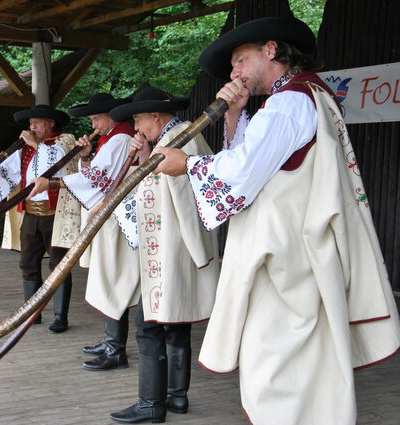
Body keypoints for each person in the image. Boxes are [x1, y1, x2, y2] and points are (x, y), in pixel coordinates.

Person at [153, 16, 400, 425]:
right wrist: (234, 115)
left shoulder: (289, 102)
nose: (234, 73)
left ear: (271, 50)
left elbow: (243, 175)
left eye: (239, 60)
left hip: (286, 260)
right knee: (304, 363)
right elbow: (260, 162)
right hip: (302, 253)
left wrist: (188, 165)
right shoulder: (306, 96)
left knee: (275, 366)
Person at [106, 87, 220, 423]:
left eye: (139, 119)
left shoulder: (179, 141)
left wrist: (197, 251)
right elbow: (157, 186)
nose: (137, 127)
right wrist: (145, 157)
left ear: (156, 116)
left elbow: (187, 197)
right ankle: (176, 397)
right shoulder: (177, 138)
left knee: (149, 323)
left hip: (171, 250)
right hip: (173, 248)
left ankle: (150, 403)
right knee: (175, 321)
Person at [28, 93, 140, 370]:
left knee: (114, 277)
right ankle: (111, 339)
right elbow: (97, 174)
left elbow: (96, 179)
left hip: (117, 218)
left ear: (111, 116)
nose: (94, 124)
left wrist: (53, 184)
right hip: (108, 215)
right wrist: (86, 155)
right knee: (107, 277)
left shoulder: (120, 139)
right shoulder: (110, 139)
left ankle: (116, 348)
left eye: (96, 118)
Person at [0, 104, 77, 333]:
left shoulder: (65, 142)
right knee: (28, 263)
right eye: (30, 123)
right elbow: (11, 170)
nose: (32, 127)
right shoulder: (27, 148)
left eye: (37, 123)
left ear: (51, 123)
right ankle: (33, 313)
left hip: (56, 214)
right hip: (31, 213)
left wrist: (36, 145)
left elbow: (57, 164)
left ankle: (60, 316)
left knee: (59, 264)